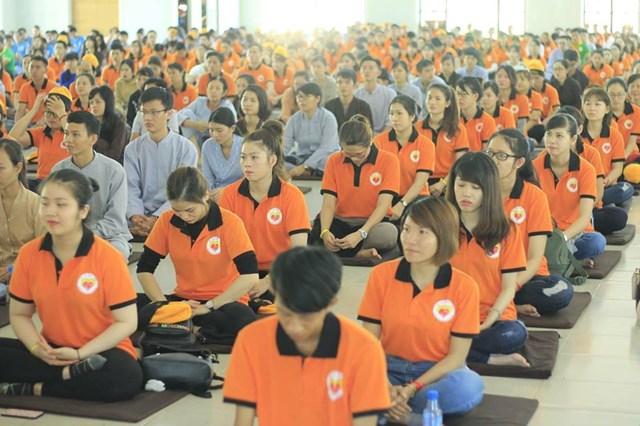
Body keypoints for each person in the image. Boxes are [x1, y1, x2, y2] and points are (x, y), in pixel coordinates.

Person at [0, 169, 142, 402]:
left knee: (125, 378)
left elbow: (126, 322)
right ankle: (66, 375)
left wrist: (80, 353)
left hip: (101, 351)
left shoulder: (108, 257)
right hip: (51, 349)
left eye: (61, 205)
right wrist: (37, 349)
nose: (50, 212)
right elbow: (19, 314)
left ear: (83, 210)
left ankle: (36, 388)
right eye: (45, 203)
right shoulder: (29, 254)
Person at [223, 246, 390, 426]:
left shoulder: (363, 349)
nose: (295, 327)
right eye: (286, 313)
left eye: (307, 318)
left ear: (331, 302)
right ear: (275, 297)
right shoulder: (251, 341)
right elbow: (243, 420)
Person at [358, 197, 483, 424]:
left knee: (468, 386)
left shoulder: (464, 287)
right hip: (387, 368)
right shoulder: (381, 275)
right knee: (341, 376)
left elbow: (456, 357)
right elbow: (368, 343)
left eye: (422, 232)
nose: (410, 240)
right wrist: (386, 386)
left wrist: (411, 389)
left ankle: (387, 410)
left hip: (436, 373)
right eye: (407, 229)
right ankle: (410, 413)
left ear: (443, 236)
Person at [136, 166, 258, 340]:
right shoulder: (166, 221)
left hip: (222, 303)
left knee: (243, 320)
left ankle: (183, 327)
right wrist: (166, 305)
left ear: (205, 196)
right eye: (177, 210)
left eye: (190, 210)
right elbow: (144, 270)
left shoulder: (230, 223)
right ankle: (191, 327)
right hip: (182, 301)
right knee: (126, 305)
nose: (184, 217)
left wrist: (208, 306)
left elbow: (250, 276)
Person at [446, 152, 529, 367]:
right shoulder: (441, 226)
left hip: (494, 319)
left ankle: (451, 350)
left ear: (489, 190)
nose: (466, 193)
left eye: (475, 188)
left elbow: (509, 288)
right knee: (413, 329)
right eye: (461, 185)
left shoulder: (506, 229)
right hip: (449, 316)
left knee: (514, 334)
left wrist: (490, 318)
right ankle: (485, 358)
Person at [486, 129, 573, 316]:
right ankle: (507, 305)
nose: (493, 160)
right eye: (489, 153)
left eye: (501, 156)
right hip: (486, 274)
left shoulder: (534, 196)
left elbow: (534, 258)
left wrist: (511, 288)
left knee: (562, 290)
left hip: (524, 277)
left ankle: (497, 303)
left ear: (519, 162)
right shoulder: (478, 191)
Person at [220, 121, 310, 300]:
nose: (247, 164)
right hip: (240, 272)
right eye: (243, 157)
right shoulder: (229, 195)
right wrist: (244, 280)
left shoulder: (292, 196)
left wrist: (269, 280)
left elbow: (298, 250)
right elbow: (223, 247)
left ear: (272, 160)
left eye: (254, 157)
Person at [315, 115, 400, 259]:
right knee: (313, 232)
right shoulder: (334, 160)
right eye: (347, 154)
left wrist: (361, 234)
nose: (354, 158)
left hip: (372, 224)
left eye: (359, 154)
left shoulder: (389, 160)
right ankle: (359, 253)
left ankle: (345, 251)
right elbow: (328, 203)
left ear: (370, 142)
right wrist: (325, 232)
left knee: (388, 234)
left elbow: (383, 205)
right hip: (340, 221)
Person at [52, 111, 132, 259]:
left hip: (108, 236)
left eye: (76, 135)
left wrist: (86, 235)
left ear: (93, 139)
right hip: (67, 235)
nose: (68, 139)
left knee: (117, 253)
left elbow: (115, 219)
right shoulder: (58, 170)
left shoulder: (114, 170)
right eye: (66, 133)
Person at [124, 87, 198, 237]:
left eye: (154, 112)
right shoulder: (132, 149)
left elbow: (182, 191)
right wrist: (136, 216)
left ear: (169, 113)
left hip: (175, 213)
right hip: (139, 217)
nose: (147, 118)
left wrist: (157, 218)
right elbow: (131, 187)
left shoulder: (185, 148)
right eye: (144, 112)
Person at [533, 114, 606, 264]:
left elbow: (584, 218)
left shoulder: (586, 169)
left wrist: (562, 239)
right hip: (543, 232)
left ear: (573, 139)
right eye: (548, 134)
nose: (551, 140)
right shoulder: (534, 167)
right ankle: (566, 261)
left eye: (559, 136)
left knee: (597, 241)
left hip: (574, 234)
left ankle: (557, 258)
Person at [374, 95, 435, 220]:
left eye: (399, 113)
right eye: (391, 113)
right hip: (386, 197)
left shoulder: (426, 145)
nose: (394, 118)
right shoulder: (378, 142)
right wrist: (386, 204)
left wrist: (402, 204)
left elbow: (420, 182)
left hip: (416, 198)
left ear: (412, 116)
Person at [0, 139, 45, 284]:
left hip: (28, 274)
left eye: (1, 168)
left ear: (17, 168)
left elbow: (44, 251)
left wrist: (13, 268)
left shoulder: (36, 204)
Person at [581, 87, 633, 210]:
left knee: (625, 189)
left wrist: (604, 182)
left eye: (597, 104)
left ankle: (594, 203)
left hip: (606, 185)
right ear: (583, 107)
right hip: (581, 186)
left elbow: (618, 168)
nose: (592, 108)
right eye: (588, 104)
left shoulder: (614, 135)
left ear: (607, 109)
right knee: (614, 211)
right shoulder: (576, 134)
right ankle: (598, 205)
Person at [10, 87, 73, 189]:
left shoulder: (72, 132)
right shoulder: (41, 133)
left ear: (68, 112)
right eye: (48, 112)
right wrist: (34, 110)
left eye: (55, 113)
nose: (51, 117)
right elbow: (13, 136)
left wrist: (62, 114)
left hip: (66, 183)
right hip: (42, 183)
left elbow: (72, 136)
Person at [416, 83, 469, 196]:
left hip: (449, 181)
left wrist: (443, 183)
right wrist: (420, 184)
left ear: (447, 103)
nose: (432, 102)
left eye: (437, 99)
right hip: (421, 181)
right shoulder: (417, 128)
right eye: (429, 98)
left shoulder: (458, 129)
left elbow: (460, 163)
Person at [283, 82, 340, 177]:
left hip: (324, 156)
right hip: (302, 157)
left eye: (307, 97)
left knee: (330, 162)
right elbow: (285, 145)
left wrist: (306, 166)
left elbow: (327, 147)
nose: (302, 100)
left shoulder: (328, 118)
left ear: (317, 99)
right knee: (280, 163)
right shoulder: (294, 119)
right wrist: (275, 159)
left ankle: (307, 171)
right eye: (300, 97)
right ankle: (311, 173)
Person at [179, 77, 237, 148]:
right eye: (211, 88)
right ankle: (196, 151)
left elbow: (232, 125)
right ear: (206, 90)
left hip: (217, 140)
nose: (213, 91)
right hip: (198, 138)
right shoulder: (200, 101)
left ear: (224, 92)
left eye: (217, 88)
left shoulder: (227, 106)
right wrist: (196, 125)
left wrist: (207, 126)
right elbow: (179, 114)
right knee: (187, 113)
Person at [202, 108, 243, 200]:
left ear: (232, 128)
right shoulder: (207, 146)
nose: (215, 134)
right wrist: (210, 193)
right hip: (215, 195)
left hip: (240, 193)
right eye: (211, 130)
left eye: (219, 130)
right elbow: (207, 177)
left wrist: (227, 191)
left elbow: (248, 178)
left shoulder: (244, 146)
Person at [355, 56, 397, 133]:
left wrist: (380, 137)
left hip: (385, 135)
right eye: (364, 68)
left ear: (378, 72)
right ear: (360, 72)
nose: (367, 71)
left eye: (371, 68)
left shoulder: (389, 94)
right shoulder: (356, 94)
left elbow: (392, 120)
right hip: (362, 135)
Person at [456, 77, 496, 152]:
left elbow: (486, 152)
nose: (459, 98)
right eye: (457, 93)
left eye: (464, 94)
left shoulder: (487, 121)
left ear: (475, 96)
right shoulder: (452, 119)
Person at [89, 86, 127, 163]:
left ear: (108, 103)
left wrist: (94, 160)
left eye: (98, 102)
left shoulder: (118, 124)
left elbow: (115, 153)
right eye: (91, 102)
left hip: (112, 164)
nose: (94, 106)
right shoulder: (88, 123)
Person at [15, 55, 57, 124]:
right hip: (30, 123)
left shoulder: (54, 88)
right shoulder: (25, 87)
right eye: (31, 67)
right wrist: (16, 127)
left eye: (38, 67)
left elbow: (53, 111)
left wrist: (37, 126)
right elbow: (20, 111)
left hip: (48, 124)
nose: (34, 71)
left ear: (45, 70)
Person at [606, 77, 640, 160]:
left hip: (631, 155)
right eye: (612, 94)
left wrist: (621, 160)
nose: (616, 98)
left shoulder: (636, 111)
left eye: (620, 94)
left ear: (626, 94)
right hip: (608, 155)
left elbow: (632, 141)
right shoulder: (603, 112)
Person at [495, 65, 530, 131]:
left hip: (516, 135)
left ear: (513, 79)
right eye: (499, 76)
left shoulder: (522, 99)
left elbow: (521, 127)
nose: (502, 79)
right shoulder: (491, 98)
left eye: (506, 77)